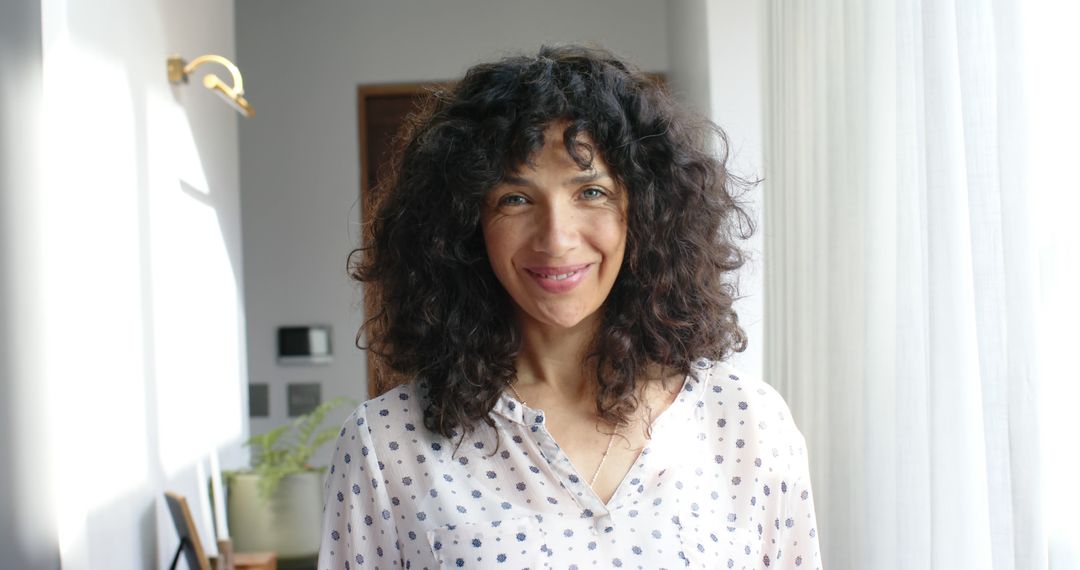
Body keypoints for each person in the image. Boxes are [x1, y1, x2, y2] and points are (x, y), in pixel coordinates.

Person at [319, 44, 821, 570]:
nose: (556, 239)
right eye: (515, 198)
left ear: (646, 210)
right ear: (467, 227)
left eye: (591, 192)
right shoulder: (387, 445)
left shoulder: (745, 423)